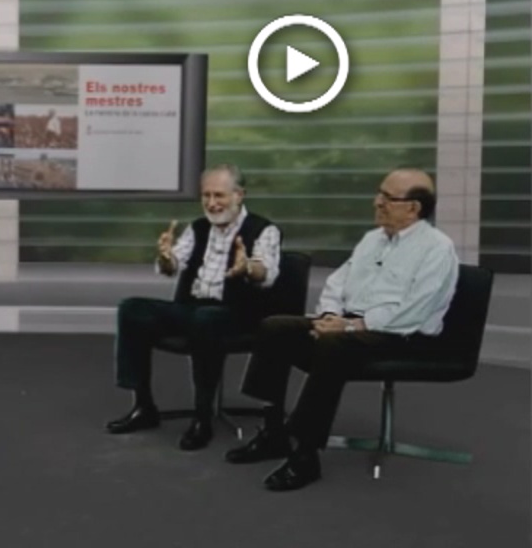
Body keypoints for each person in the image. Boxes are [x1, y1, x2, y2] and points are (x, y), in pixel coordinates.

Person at [225, 168, 459, 492]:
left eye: (387, 198)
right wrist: (329, 317)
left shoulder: (437, 249)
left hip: (403, 336)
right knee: (275, 327)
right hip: (351, 325)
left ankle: (306, 454)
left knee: (333, 346)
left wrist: (350, 326)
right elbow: (338, 283)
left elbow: (414, 312)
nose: (376, 202)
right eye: (379, 193)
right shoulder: (372, 240)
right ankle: (273, 432)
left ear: (413, 208)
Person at [107, 164, 283, 450]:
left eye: (219, 195)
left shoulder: (264, 230)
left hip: (238, 313)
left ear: (239, 195)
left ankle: (202, 417)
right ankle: (143, 406)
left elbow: (268, 273)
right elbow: (173, 266)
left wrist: (247, 267)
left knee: (206, 319)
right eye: (206, 196)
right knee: (132, 309)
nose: (211, 203)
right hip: (193, 309)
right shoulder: (198, 228)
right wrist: (166, 258)